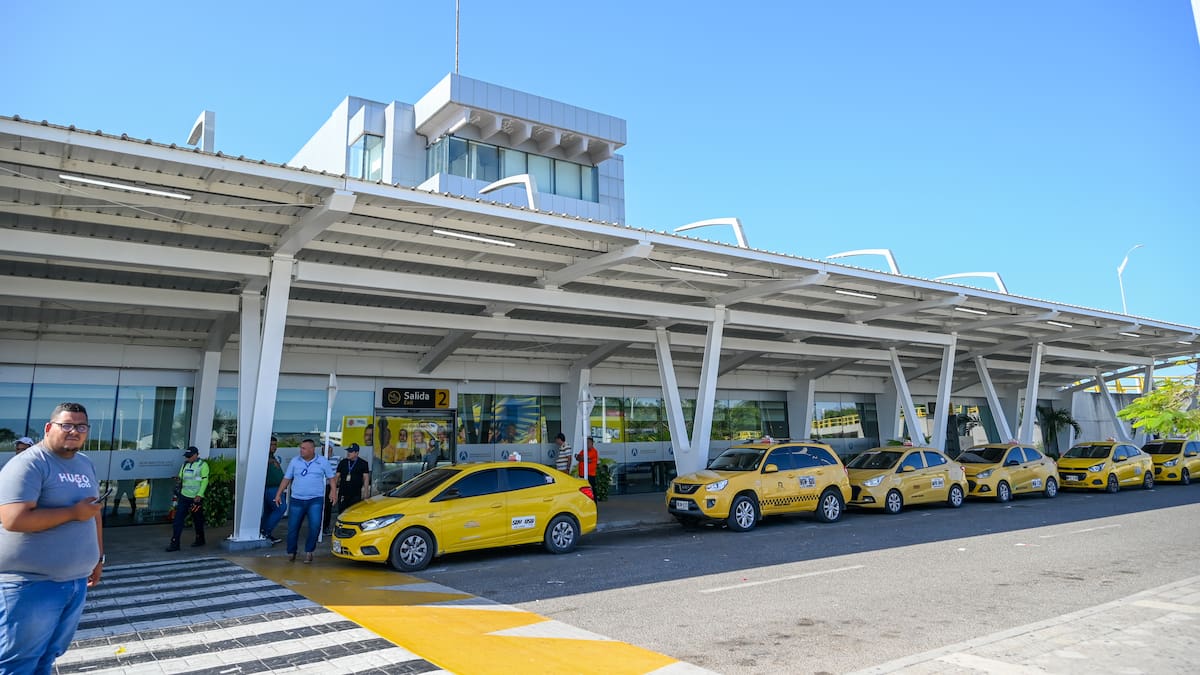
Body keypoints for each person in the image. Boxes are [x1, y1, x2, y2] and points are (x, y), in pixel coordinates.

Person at [0, 402, 104, 674]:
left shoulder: (85, 464)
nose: (74, 431)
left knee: (48, 657)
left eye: (81, 426)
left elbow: (93, 513)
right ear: (48, 428)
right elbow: (13, 519)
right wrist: (72, 513)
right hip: (30, 583)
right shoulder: (29, 463)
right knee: (18, 663)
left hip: (75, 582)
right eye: (66, 425)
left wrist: (98, 557)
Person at [274, 438, 336, 564]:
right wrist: (278, 494)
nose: (301, 450)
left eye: (303, 448)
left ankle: (309, 551)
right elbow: (287, 478)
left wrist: (333, 491)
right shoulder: (295, 461)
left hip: (315, 499)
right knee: (293, 527)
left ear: (312, 449)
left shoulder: (322, 461)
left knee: (315, 526)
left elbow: (331, 477)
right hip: (297, 499)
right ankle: (291, 552)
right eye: (300, 448)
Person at [166, 446, 208, 551]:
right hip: (184, 497)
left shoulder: (203, 465)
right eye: (187, 456)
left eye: (189, 456)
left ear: (196, 455)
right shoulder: (185, 464)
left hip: (196, 499)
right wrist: (178, 479)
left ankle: (200, 539)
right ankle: (175, 544)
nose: (187, 458)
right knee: (178, 520)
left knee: (197, 520)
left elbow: (205, 481)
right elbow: (181, 477)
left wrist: (199, 495)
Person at [259, 436, 285, 544]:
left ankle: (262, 532)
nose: (274, 447)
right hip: (271, 488)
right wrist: (271, 461)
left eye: (275, 444)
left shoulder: (272, 457)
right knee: (280, 508)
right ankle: (265, 532)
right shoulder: (264, 457)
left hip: (275, 488)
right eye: (271, 445)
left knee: (269, 511)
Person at [334, 443, 371, 514]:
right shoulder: (343, 462)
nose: (348, 453)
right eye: (348, 451)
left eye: (351, 452)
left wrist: (366, 493)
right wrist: (333, 490)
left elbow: (366, 478)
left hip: (355, 494)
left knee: (353, 513)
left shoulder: (363, 463)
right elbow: (337, 476)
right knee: (342, 512)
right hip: (343, 493)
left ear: (357, 453)